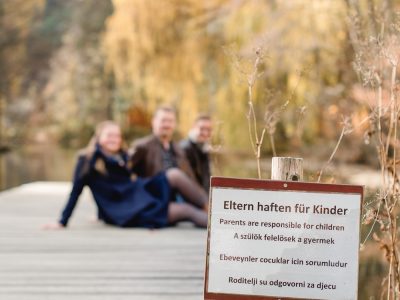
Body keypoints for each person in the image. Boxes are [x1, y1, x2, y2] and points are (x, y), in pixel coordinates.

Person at [43, 121, 208, 229]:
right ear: (99, 138)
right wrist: (62, 221)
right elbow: (76, 191)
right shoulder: (87, 160)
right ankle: (222, 226)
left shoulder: (122, 156)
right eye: (109, 135)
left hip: (140, 193)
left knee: (174, 174)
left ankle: (212, 209)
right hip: (126, 209)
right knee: (185, 210)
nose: (114, 139)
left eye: (117, 135)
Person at [129, 105, 194, 179]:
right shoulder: (142, 146)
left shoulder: (179, 149)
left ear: (174, 124)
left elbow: (190, 177)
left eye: (170, 121)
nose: (167, 125)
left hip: (180, 188)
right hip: (155, 188)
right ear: (154, 122)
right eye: (163, 120)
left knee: (208, 185)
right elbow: (125, 173)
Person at [180, 114, 213, 192]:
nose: (205, 133)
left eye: (209, 129)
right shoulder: (185, 149)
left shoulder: (203, 148)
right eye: (202, 129)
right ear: (193, 127)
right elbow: (187, 181)